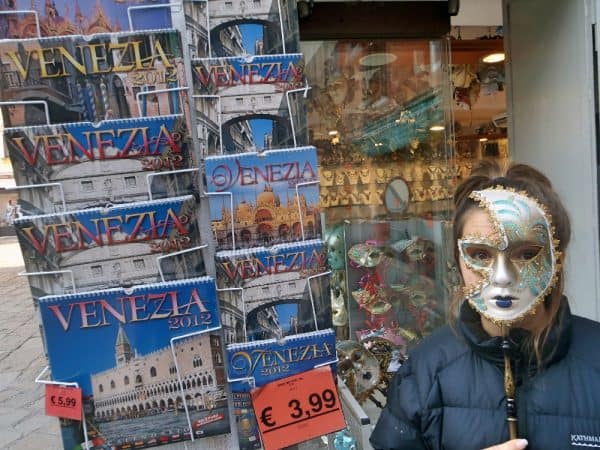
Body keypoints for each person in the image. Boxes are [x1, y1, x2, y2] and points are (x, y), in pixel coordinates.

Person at [370, 160, 600, 450]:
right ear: (458, 259)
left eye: (527, 253)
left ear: (557, 259)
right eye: (479, 254)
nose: (502, 276)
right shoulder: (426, 370)